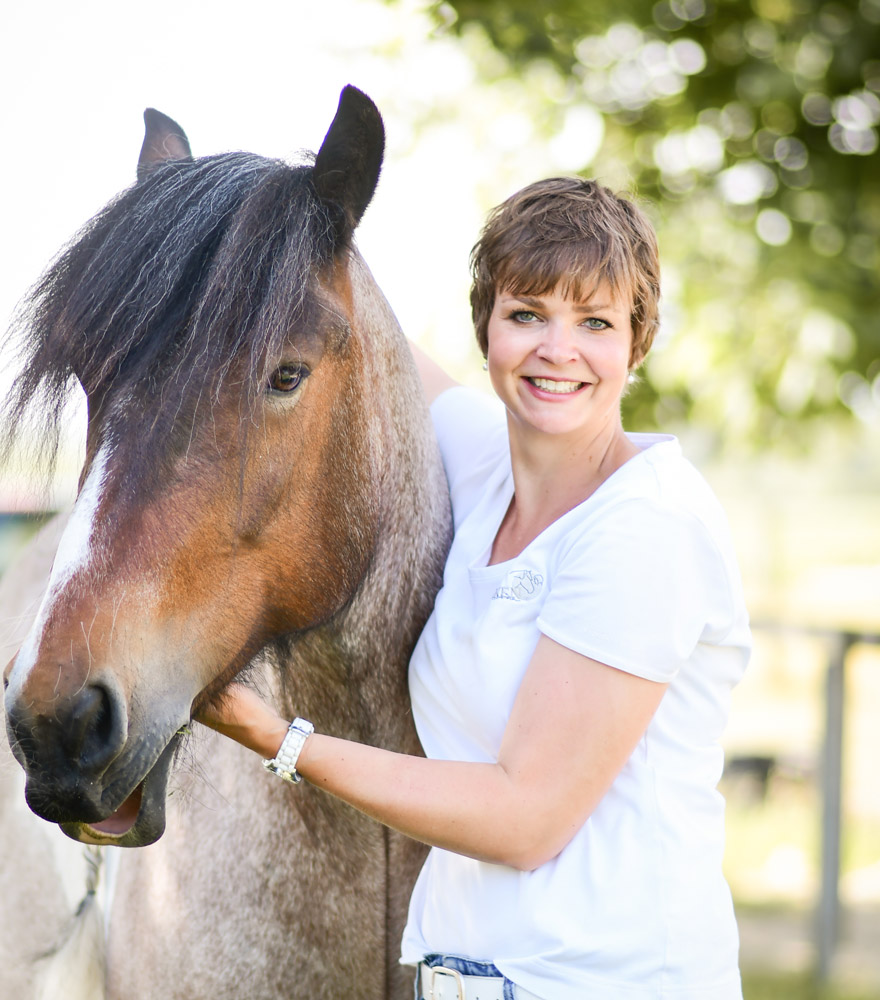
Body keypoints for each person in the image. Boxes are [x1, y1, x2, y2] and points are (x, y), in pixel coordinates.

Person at [200, 176, 751, 999]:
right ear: (487, 327)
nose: (556, 350)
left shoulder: (646, 525)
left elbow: (525, 817)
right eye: (527, 314)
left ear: (635, 344)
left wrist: (282, 742)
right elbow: (358, 326)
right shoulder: (481, 462)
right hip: (462, 979)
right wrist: (253, 219)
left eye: (594, 322)